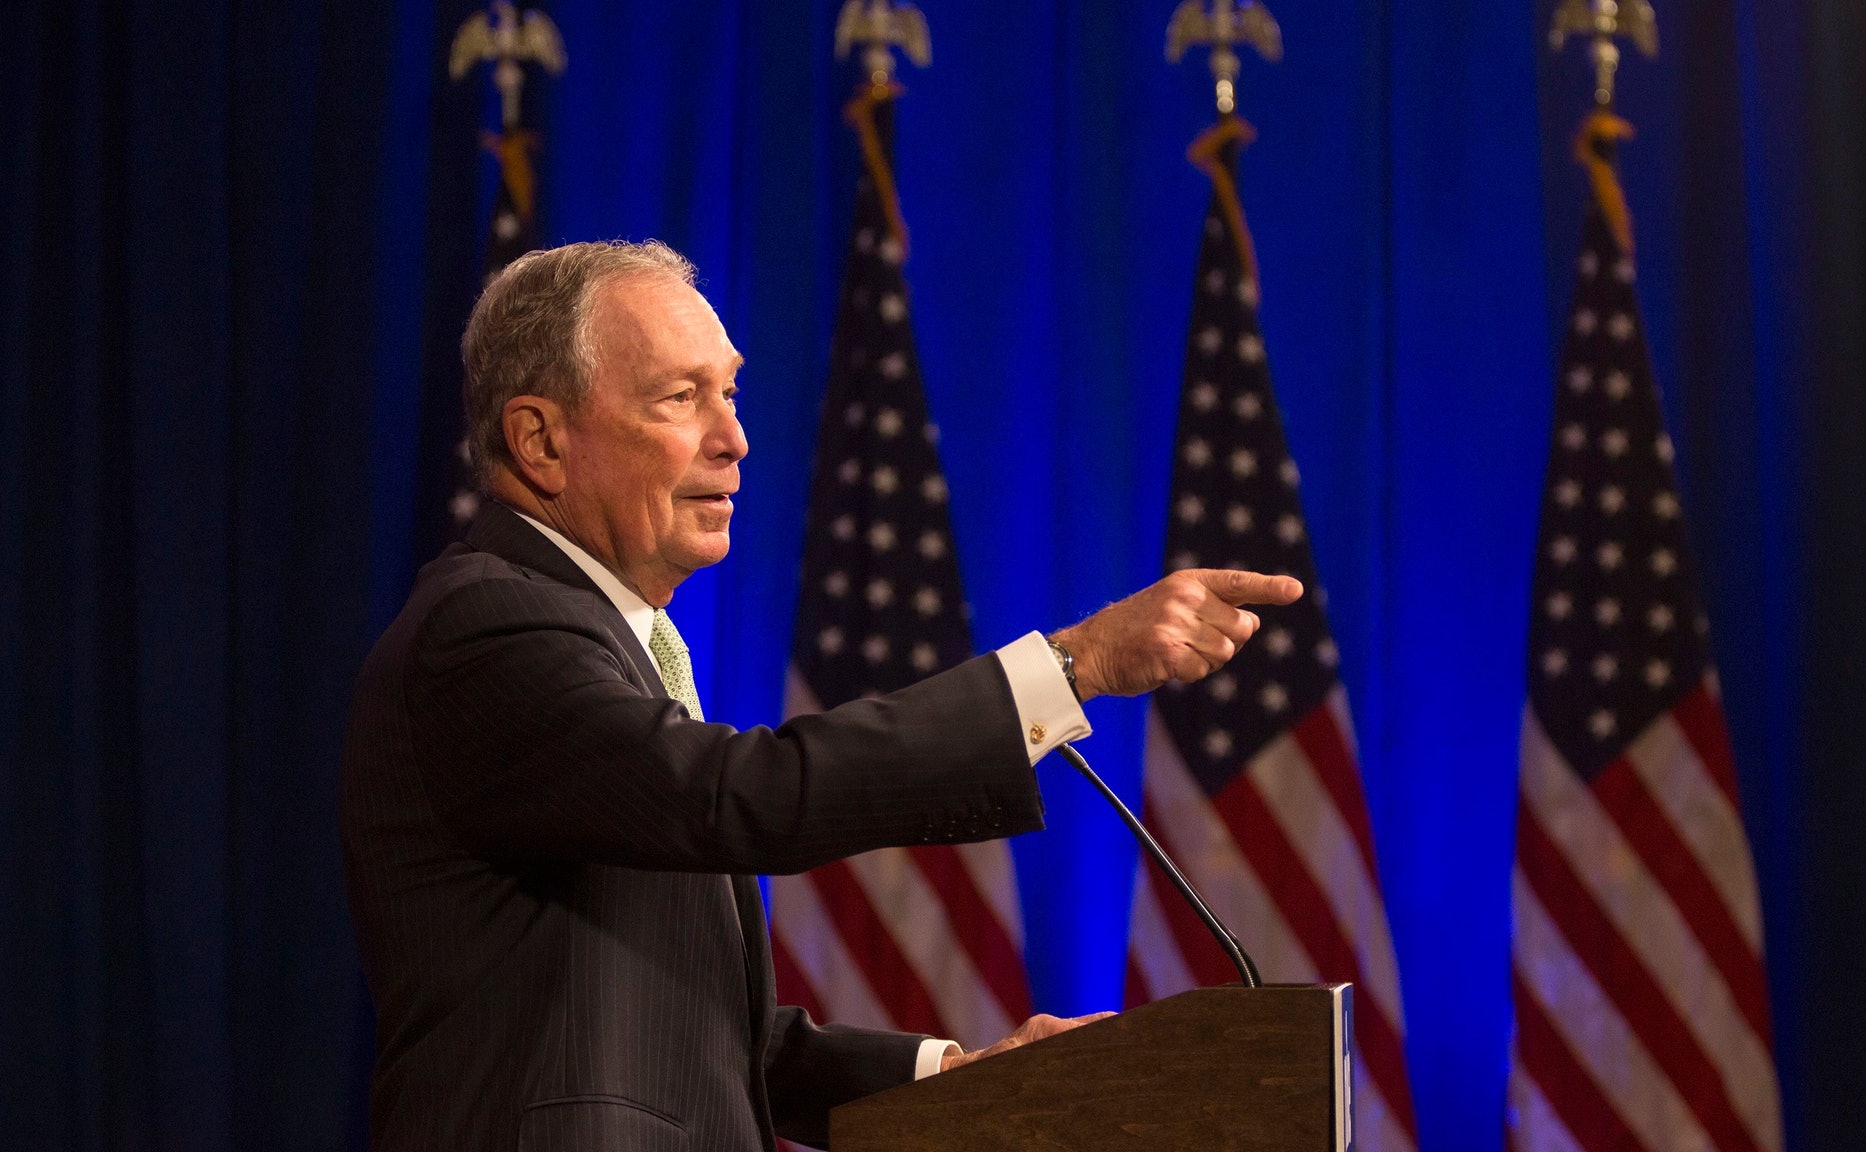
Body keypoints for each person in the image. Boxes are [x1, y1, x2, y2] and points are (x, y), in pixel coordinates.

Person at [340, 239, 1301, 1151]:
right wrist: (1070, 666)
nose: (735, 439)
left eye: (730, 391)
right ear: (539, 440)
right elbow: (739, 797)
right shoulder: (488, 629)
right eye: (681, 398)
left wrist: (964, 1076)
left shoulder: (612, 646)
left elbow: (725, 1045)